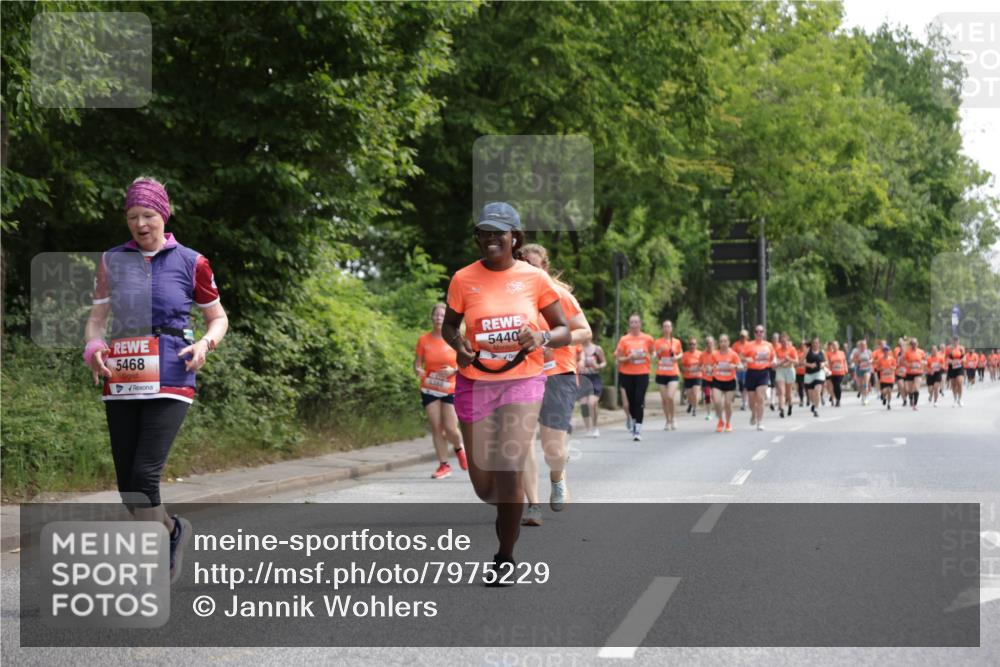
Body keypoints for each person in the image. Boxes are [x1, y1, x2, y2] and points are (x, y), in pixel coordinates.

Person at [84, 177, 229, 584]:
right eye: (132, 217)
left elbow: (217, 318)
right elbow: (96, 322)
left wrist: (205, 345)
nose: (140, 224)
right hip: (124, 375)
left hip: (171, 373)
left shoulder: (192, 261)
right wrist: (93, 349)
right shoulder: (111, 260)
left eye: (147, 215)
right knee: (128, 485)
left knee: (146, 475)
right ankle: (172, 530)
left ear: (163, 216)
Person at [441, 202, 570, 584]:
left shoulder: (534, 278)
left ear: (515, 238)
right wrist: (459, 344)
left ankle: (505, 558)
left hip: (522, 381)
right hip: (475, 382)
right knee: (485, 486)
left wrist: (542, 335)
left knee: (511, 468)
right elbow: (450, 326)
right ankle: (508, 506)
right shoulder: (463, 279)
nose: (491, 238)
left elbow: (562, 328)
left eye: (500, 232)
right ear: (478, 238)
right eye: (485, 232)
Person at [519, 244, 592, 527]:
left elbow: (585, 331)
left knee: (553, 450)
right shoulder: (514, 299)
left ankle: (558, 476)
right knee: (523, 442)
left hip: (558, 374)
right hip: (523, 375)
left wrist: (547, 338)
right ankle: (533, 505)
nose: (530, 270)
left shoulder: (558, 295)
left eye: (535, 266)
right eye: (524, 264)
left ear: (544, 269)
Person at [414, 303, 467, 479]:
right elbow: (417, 364)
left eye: (442, 315)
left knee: (450, 428)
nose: (438, 318)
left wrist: (453, 371)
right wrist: (418, 371)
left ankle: (459, 449)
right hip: (429, 387)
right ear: (432, 318)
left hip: (450, 387)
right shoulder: (424, 340)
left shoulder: (455, 339)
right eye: (436, 315)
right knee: (436, 427)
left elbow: (466, 362)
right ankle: (444, 465)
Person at [615, 314, 655, 441]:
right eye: (631, 322)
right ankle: (633, 420)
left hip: (642, 373)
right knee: (631, 402)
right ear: (629, 324)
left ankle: (638, 429)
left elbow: (653, 351)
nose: (634, 325)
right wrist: (628, 358)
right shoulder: (624, 340)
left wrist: (651, 356)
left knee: (639, 400)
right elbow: (618, 358)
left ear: (640, 324)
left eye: (636, 322)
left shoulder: (647, 338)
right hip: (627, 373)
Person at [740, 324, 775, 431]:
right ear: (754, 334)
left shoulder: (769, 345)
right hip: (751, 373)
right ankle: (753, 413)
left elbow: (773, 358)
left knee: (760, 398)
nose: (759, 333)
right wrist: (746, 360)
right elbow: (740, 356)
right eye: (757, 331)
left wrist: (774, 362)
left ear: (764, 333)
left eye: (761, 331)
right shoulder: (749, 345)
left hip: (763, 372)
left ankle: (760, 422)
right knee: (751, 401)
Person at [652, 320, 683, 431]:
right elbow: (653, 356)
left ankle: (673, 418)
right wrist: (658, 352)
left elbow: (680, 353)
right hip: (661, 372)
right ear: (662, 328)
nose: (666, 328)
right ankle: (667, 420)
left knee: (670, 397)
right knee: (664, 399)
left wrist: (676, 357)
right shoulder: (657, 342)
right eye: (664, 326)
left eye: (668, 326)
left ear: (671, 329)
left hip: (673, 372)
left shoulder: (676, 342)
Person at [711, 334, 742, 432]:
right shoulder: (715, 354)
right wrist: (710, 368)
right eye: (721, 341)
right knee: (717, 401)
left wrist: (735, 366)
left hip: (730, 381)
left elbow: (741, 366)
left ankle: (728, 422)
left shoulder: (733, 354)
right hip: (717, 380)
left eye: (725, 341)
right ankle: (720, 421)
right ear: (719, 343)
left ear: (728, 342)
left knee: (727, 403)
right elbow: (709, 367)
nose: (723, 343)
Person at [578, 340, 607, 437]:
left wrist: (598, 366)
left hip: (594, 379)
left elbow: (604, 362)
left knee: (592, 403)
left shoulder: (597, 349)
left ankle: (595, 427)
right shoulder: (578, 348)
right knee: (583, 404)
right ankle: (588, 428)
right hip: (583, 379)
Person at [774, 332, 797, 417]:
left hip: (789, 371)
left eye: (785, 341)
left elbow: (796, 361)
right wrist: (779, 363)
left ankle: (790, 404)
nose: (783, 343)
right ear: (780, 342)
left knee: (788, 393)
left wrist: (789, 359)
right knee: (781, 392)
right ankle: (782, 409)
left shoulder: (792, 349)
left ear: (787, 341)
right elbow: (775, 362)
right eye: (782, 341)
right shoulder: (778, 350)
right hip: (780, 371)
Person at [680, 337, 703, 420]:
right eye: (690, 344)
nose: (692, 346)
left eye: (694, 344)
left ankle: (694, 409)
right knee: (689, 394)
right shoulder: (685, 354)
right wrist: (687, 369)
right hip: (688, 376)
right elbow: (682, 366)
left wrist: (699, 368)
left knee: (695, 392)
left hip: (697, 376)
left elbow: (703, 364)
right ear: (688, 345)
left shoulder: (700, 354)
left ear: (696, 345)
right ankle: (690, 403)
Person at [803, 336, 827, 417]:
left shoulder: (822, 352)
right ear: (812, 344)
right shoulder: (807, 351)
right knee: (811, 395)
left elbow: (826, 362)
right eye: (814, 343)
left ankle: (816, 409)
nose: (815, 344)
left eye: (817, 343)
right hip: (809, 374)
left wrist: (824, 364)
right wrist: (809, 365)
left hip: (819, 373)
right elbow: (801, 361)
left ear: (819, 344)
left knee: (817, 390)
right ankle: (813, 404)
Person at [901, 337, 926, 411]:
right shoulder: (907, 352)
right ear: (911, 345)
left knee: (916, 388)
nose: (914, 345)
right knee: (909, 390)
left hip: (918, 372)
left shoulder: (921, 352)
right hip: (910, 372)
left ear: (917, 344)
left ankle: (915, 405)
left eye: (915, 344)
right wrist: (908, 365)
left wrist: (923, 363)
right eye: (912, 344)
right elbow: (903, 361)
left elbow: (925, 360)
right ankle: (911, 398)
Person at [874, 341, 897, 410]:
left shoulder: (892, 359)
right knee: (884, 391)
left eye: (887, 351)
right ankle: (883, 397)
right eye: (884, 351)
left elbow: (895, 367)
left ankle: (889, 404)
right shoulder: (880, 359)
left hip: (891, 378)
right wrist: (881, 368)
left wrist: (891, 368)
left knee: (889, 391)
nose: (885, 352)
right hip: (883, 378)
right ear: (883, 351)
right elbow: (877, 367)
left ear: (888, 351)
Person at [945, 336, 967, 406]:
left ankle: (960, 399)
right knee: (953, 384)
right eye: (954, 340)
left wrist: (960, 360)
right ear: (952, 341)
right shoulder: (948, 349)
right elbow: (946, 358)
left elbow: (964, 357)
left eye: (957, 340)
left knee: (960, 382)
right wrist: (951, 361)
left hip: (959, 367)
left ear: (959, 341)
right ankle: (955, 399)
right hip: (952, 368)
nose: (955, 342)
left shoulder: (961, 348)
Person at [852, 339, 873, 406]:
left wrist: (870, 361)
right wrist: (858, 361)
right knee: (860, 385)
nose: (863, 346)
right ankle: (863, 396)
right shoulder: (857, 353)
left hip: (867, 369)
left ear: (866, 345)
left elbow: (872, 358)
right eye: (861, 345)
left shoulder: (868, 351)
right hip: (859, 369)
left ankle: (866, 398)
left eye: (864, 345)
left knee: (866, 384)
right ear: (859, 346)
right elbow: (854, 360)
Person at [733, 329, 750, 410]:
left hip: (746, 367)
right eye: (741, 336)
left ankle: (744, 403)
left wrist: (743, 358)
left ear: (747, 337)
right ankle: (743, 400)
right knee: (740, 384)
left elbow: (751, 357)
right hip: (739, 368)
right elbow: (733, 356)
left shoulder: (749, 345)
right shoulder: (736, 345)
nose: (742, 338)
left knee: (745, 385)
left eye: (744, 336)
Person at [827, 341, 847, 407]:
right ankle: (836, 399)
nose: (834, 347)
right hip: (833, 372)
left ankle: (838, 399)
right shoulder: (830, 354)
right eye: (833, 345)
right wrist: (828, 371)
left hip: (841, 372)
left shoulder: (842, 353)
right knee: (835, 386)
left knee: (837, 385)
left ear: (838, 346)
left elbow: (844, 361)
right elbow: (829, 363)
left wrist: (846, 368)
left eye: (835, 345)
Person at [700, 336, 716, 421]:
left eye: (710, 343)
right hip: (706, 378)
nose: (709, 345)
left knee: (715, 396)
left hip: (716, 378)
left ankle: (717, 410)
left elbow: (720, 364)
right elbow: (700, 365)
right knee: (707, 395)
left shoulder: (717, 353)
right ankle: (709, 413)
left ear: (714, 343)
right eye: (707, 343)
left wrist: (712, 368)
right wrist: (703, 368)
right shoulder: (702, 354)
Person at [795, 340, 808, 407]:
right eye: (801, 344)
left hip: (806, 372)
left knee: (806, 386)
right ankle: (801, 400)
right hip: (798, 372)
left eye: (804, 345)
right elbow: (795, 361)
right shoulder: (797, 352)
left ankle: (808, 399)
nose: (802, 346)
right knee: (800, 386)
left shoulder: (807, 353)